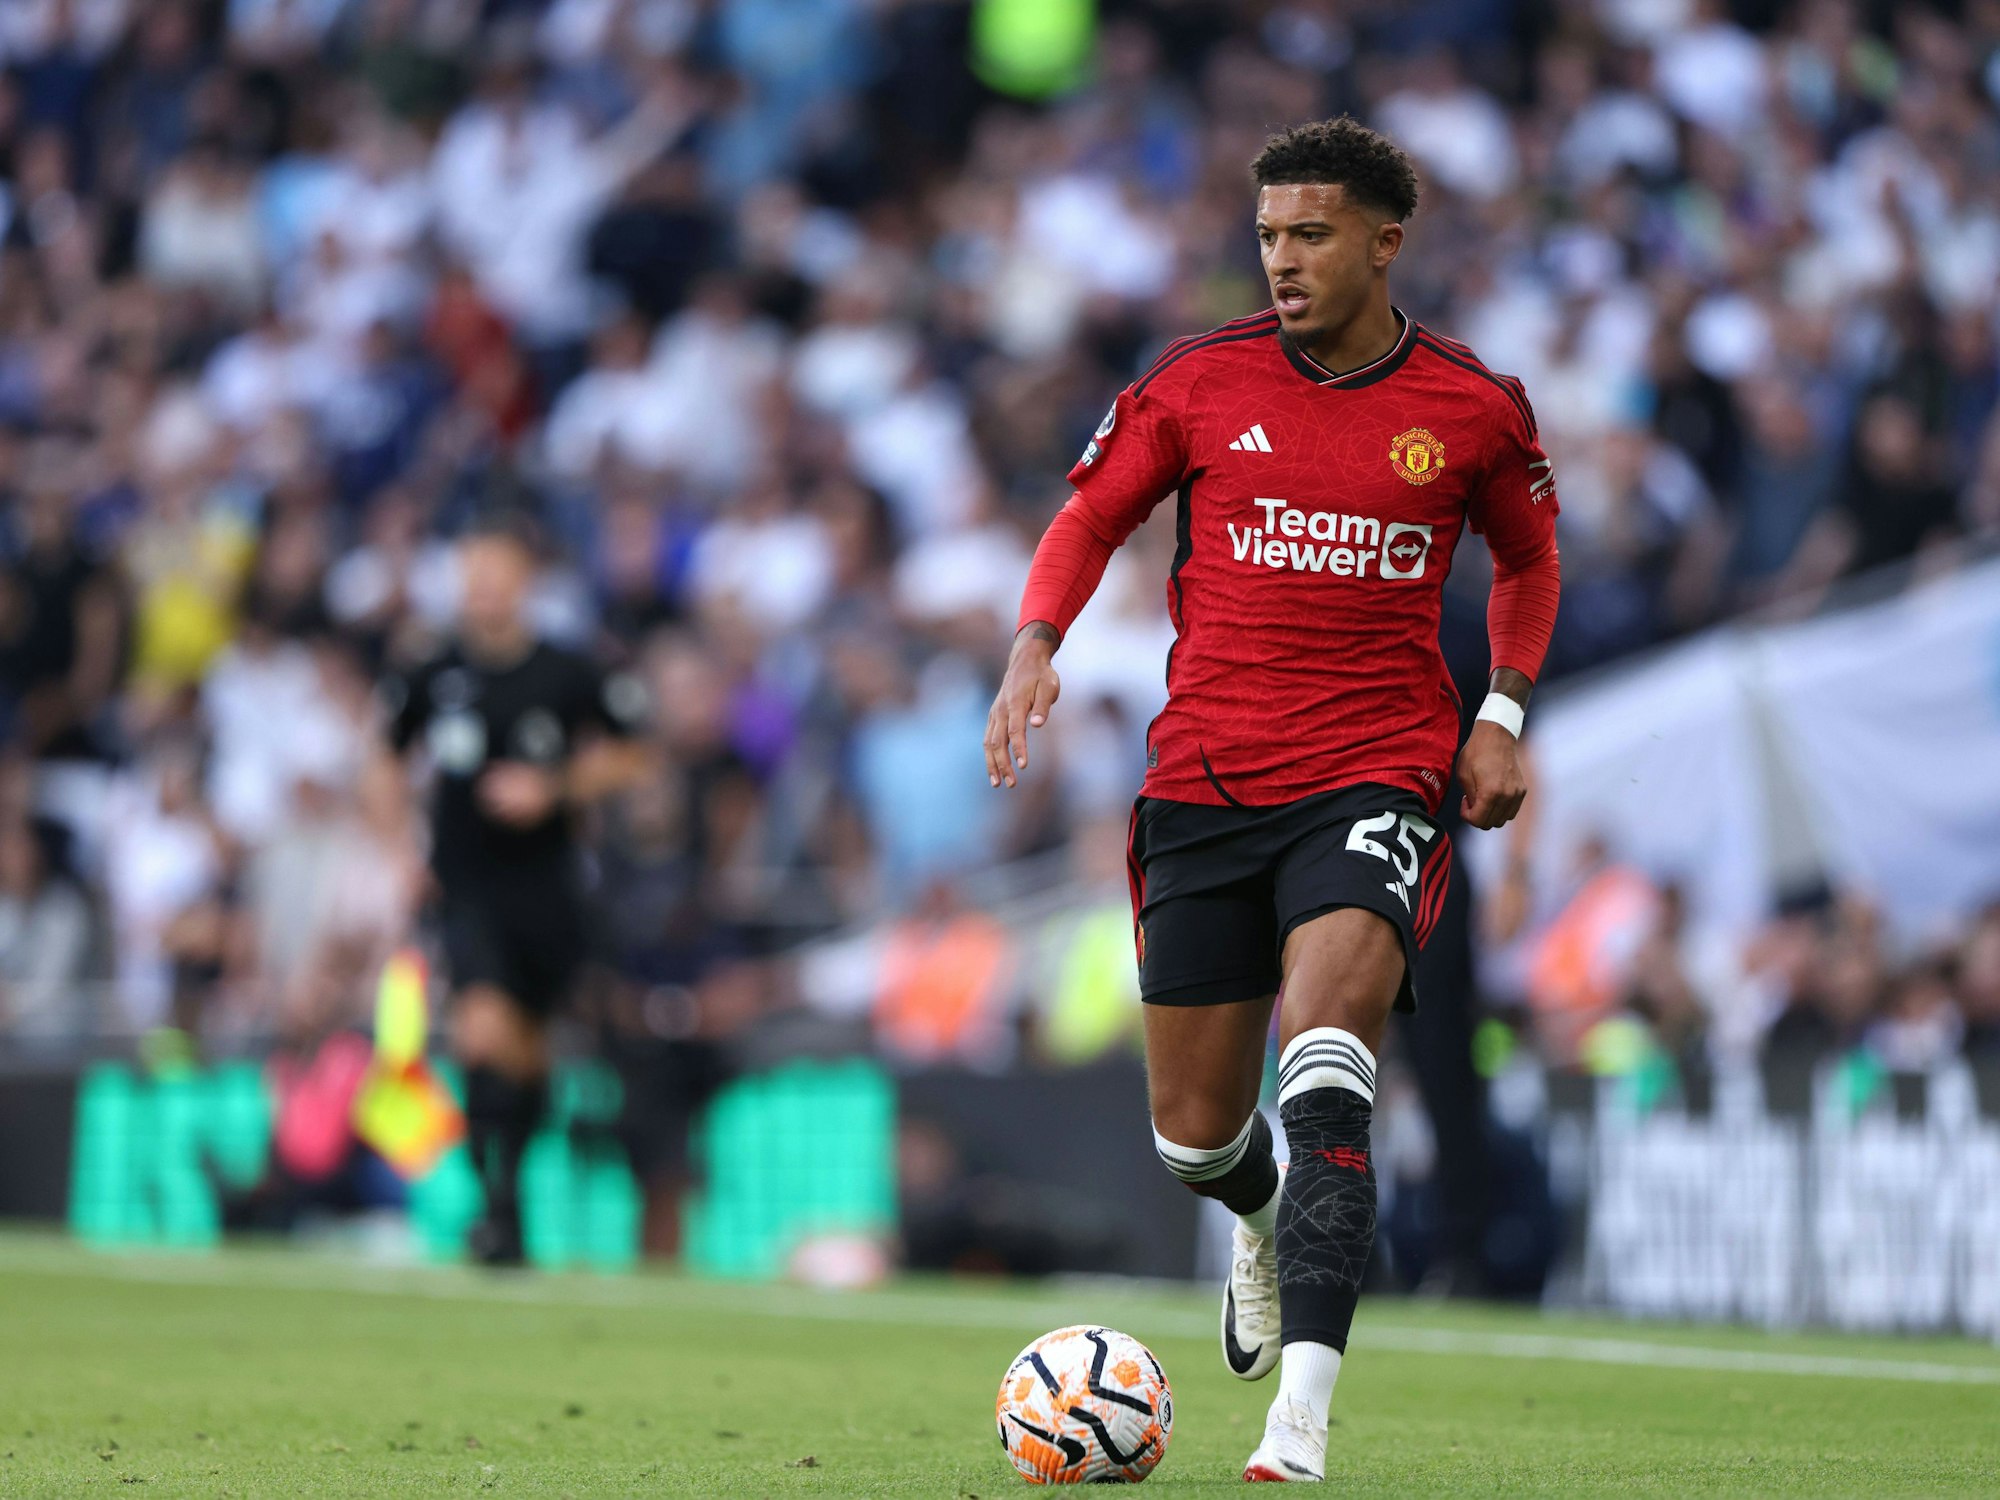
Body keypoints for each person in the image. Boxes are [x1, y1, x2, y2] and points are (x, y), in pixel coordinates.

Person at [984, 118, 1559, 1482]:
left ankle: (1297, 1418)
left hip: (1374, 775)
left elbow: (1529, 559)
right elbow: (1088, 517)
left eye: (1310, 234)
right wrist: (1034, 644)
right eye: (1266, 236)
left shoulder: (1471, 406)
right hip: (1204, 783)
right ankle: (1254, 1219)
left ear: (1383, 241)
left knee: (1327, 1077)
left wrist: (1498, 712)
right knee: (1193, 1139)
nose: (1282, 260)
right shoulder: (1198, 380)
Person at [382, 517, 649, 1265]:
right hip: (466, 885)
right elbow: (385, 756)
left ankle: (508, 1198)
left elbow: (634, 753)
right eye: (474, 577)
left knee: (528, 1055)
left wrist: (554, 787)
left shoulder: (567, 670)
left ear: (526, 582)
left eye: (498, 575)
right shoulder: (432, 671)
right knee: (482, 1029)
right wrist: (400, 844)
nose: (485, 591)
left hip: (547, 889)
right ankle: (492, 1205)